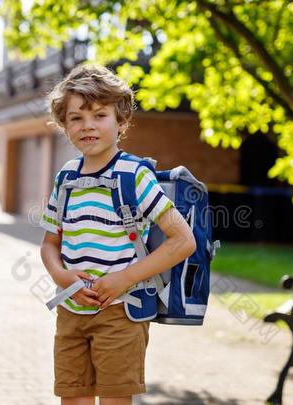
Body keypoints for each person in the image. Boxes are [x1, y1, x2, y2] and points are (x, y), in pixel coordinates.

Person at [39, 65, 196, 405]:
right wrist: (61, 276)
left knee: (114, 400)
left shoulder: (134, 175)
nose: (88, 125)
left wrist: (122, 279)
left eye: (99, 115)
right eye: (76, 117)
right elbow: (50, 243)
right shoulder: (66, 177)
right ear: (64, 125)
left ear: (121, 122)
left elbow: (183, 241)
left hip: (121, 311)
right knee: (73, 399)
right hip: (72, 311)